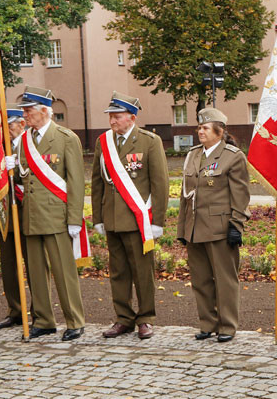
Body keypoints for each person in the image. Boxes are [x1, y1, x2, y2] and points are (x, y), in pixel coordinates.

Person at [5, 86, 86, 341]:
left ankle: (75, 320)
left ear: (44, 111)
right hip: (31, 216)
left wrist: (74, 219)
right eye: (24, 111)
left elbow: (75, 183)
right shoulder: (24, 141)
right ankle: (43, 320)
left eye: (29, 111)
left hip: (56, 216)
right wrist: (10, 169)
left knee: (63, 272)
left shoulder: (65, 138)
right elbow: (22, 177)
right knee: (36, 273)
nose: (25, 115)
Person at [92, 92, 169, 340]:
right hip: (113, 218)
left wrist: (157, 221)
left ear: (132, 118)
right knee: (118, 272)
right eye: (110, 116)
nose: (112, 121)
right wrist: (98, 218)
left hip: (139, 221)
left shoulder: (149, 141)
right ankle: (123, 318)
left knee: (142, 272)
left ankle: (145, 318)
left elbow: (160, 184)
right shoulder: (103, 142)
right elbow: (97, 183)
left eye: (117, 116)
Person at [177, 108, 250, 343]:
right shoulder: (193, 155)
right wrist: (182, 229)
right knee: (200, 279)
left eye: (205, 128)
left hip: (220, 228)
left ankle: (227, 326)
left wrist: (236, 224)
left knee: (225, 280)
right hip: (195, 228)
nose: (200, 131)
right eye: (199, 127)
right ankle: (207, 323)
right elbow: (185, 196)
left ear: (219, 131)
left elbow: (240, 194)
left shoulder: (233, 156)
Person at [0, 104, 30, 329]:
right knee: (8, 266)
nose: (5, 131)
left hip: (28, 214)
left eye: (9, 126)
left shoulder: (30, 144)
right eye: (2, 126)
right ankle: (15, 310)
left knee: (33, 265)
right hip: (4, 215)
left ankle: (38, 311)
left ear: (21, 124)